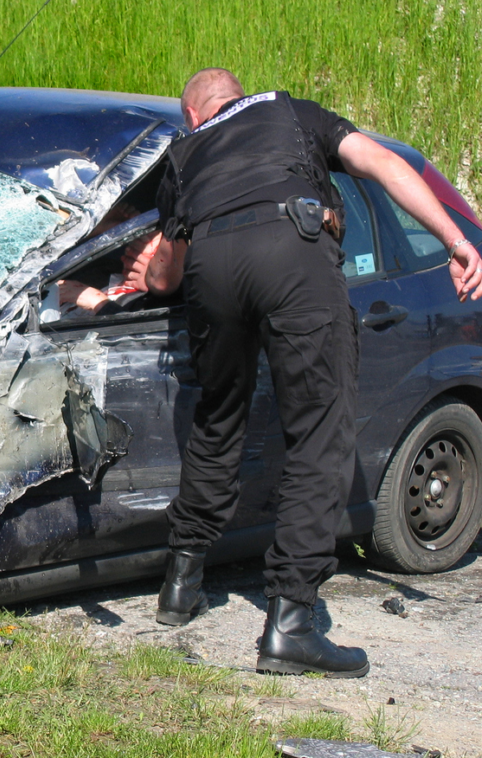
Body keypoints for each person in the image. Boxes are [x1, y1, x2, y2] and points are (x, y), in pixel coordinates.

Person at [145, 68, 482, 678]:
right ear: (239, 97)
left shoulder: (184, 153)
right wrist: (454, 239)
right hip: (290, 251)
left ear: (193, 114)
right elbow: (379, 164)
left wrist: (134, 276)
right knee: (320, 434)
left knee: (219, 415)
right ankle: (292, 622)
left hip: (214, 269)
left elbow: (165, 275)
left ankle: (181, 583)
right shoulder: (293, 113)